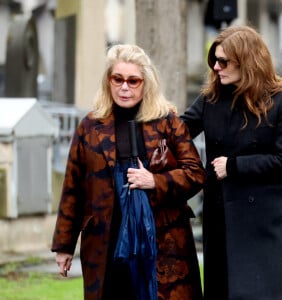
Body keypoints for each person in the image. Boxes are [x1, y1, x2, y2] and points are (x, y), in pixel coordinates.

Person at [51, 44, 206, 300]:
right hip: (106, 239)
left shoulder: (167, 121)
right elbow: (72, 188)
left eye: (133, 81)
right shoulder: (89, 126)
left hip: (162, 238)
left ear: (146, 83)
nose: (125, 87)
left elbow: (195, 173)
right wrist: (64, 246)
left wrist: (155, 181)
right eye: (118, 79)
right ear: (108, 81)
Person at [181, 25, 282, 300]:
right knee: (220, 291)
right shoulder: (212, 97)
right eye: (214, 61)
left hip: (263, 221)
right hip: (221, 214)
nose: (217, 67)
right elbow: (179, 131)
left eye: (223, 61)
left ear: (246, 60)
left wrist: (234, 166)